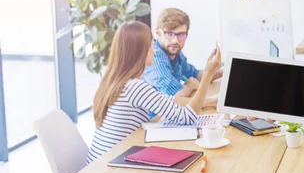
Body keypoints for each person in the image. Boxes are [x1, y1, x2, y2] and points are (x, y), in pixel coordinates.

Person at [87, 21, 221, 163]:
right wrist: (207, 75)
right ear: (141, 52)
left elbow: (170, 101)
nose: (154, 50)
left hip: (100, 163)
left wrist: (212, 102)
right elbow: (187, 117)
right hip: (108, 168)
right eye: (151, 45)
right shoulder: (135, 87)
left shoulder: (114, 81)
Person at [142, 8, 223, 105]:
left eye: (181, 34)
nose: (175, 40)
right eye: (169, 34)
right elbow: (173, 100)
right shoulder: (156, 56)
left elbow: (196, 75)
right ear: (158, 33)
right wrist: (188, 87)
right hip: (155, 118)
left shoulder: (175, 53)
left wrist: (223, 71)